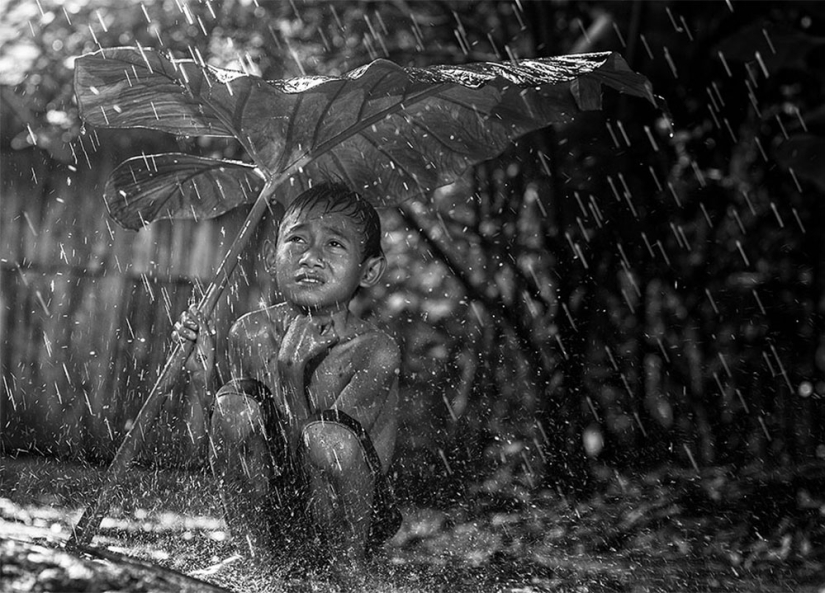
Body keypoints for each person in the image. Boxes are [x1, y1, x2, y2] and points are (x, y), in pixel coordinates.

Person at [173, 183, 402, 582]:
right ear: (271, 256)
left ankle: (348, 570)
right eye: (296, 240)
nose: (310, 258)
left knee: (327, 437)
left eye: (334, 245)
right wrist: (200, 374)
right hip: (279, 510)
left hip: (344, 520)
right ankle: (254, 554)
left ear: (369, 271)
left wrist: (291, 376)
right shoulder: (251, 332)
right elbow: (234, 444)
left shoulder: (374, 351)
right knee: (233, 406)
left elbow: (324, 458)